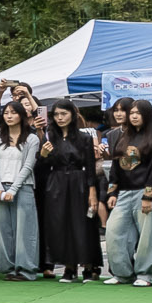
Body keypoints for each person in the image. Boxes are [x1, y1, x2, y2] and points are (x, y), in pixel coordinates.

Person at [101, 99, 152, 288]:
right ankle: (122, 273)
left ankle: (146, 274)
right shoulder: (122, 136)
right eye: (132, 113)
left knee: (148, 236)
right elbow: (115, 166)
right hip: (124, 192)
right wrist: (112, 192)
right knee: (114, 232)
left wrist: (148, 195)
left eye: (138, 113)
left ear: (146, 115)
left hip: (147, 191)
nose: (134, 116)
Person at [36, 101, 99, 282]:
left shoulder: (84, 138)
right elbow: (41, 165)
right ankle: (68, 267)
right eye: (56, 115)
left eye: (63, 114)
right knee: (60, 225)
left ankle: (88, 266)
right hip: (56, 184)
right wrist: (43, 155)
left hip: (79, 182)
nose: (60, 118)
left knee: (82, 224)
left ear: (72, 114)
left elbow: (90, 166)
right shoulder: (50, 138)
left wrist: (92, 191)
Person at [0, 102, 41, 280]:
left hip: (23, 186)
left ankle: (26, 269)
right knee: (3, 229)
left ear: (21, 115)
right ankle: (8, 267)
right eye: (6, 113)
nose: (9, 116)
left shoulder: (31, 139)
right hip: (0, 186)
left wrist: (13, 188)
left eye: (13, 113)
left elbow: (28, 166)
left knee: (25, 229)